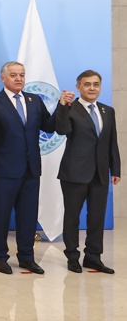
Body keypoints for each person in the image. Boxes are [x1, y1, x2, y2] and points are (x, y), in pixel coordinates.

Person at [0, 61, 57, 275]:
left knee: (28, 216)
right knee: (1, 216)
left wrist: (62, 107)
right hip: (3, 171)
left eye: (22, 75)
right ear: (3, 78)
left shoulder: (34, 100)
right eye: (14, 75)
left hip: (31, 169)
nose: (18, 78)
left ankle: (26, 257)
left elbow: (49, 127)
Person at [55, 70, 120, 274]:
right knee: (72, 217)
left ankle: (93, 257)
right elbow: (62, 129)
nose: (92, 88)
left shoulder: (107, 111)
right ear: (79, 87)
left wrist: (115, 169)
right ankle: (72, 256)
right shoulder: (70, 108)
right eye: (87, 84)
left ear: (100, 86)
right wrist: (62, 106)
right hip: (74, 173)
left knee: (97, 217)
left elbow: (112, 142)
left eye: (96, 84)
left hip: (100, 174)